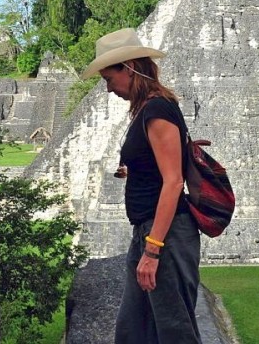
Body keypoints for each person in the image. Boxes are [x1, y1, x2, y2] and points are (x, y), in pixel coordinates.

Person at [82, 28, 202, 344]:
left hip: (165, 234)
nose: (108, 89)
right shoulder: (147, 109)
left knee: (174, 330)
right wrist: (132, 169)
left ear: (131, 68)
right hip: (148, 231)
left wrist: (153, 249)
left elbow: (174, 182)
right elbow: (157, 166)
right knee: (134, 328)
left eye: (109, 79)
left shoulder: (157, 109)